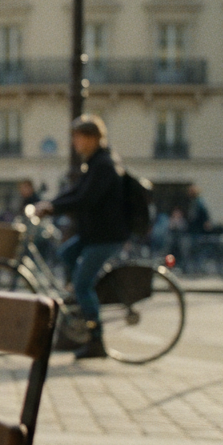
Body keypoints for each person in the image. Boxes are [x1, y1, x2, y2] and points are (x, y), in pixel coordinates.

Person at [35, 115, 130, 360]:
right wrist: (51, 204)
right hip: (93, 235)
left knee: (82, 284)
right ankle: (82, 299)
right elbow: (75, 192)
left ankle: (96, 342)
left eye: (78, 137)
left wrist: (52, 208)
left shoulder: (104, 165)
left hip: (105, 237)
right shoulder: (94, 162)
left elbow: (84, 199)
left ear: (92, 138)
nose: (74, 143)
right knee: (66, 252)